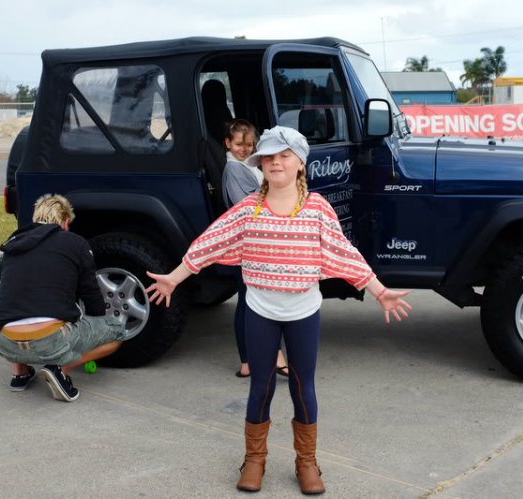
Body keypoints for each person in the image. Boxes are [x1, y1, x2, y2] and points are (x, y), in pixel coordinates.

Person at [146, 126, 412, 495]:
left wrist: (379, 290)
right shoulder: (248, 209)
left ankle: (307, 462)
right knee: (261, 386)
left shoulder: (317, 209)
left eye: (284, 156)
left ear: (300, 164)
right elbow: (210, 242)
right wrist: (174, 278)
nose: (275, 162)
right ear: (260, 164)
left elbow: (343, 252)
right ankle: (254, 460)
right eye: (268, 157)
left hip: (303, 312)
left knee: (304, 388)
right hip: (260, 311)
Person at [0, 194, 125, 402]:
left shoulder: (13, 243)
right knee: (117, 332)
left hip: (4, 341)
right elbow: (91, 294)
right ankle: (59, 368)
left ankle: (19, 372)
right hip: (51, 340)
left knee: (3, 294)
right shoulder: (75, 243)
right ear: (66, 222)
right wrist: (98, 323)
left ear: (36, 219)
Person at [222, 119, 288, 378]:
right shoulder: (233, 170)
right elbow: (249, 206)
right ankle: (272, 356)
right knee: (255, 302)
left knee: (248, 301)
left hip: (252, 244)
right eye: (239, 144)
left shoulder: (248, 167)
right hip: (248, 245)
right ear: (227, 143)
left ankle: (249, 362)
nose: (244, 149)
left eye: (249, 144)